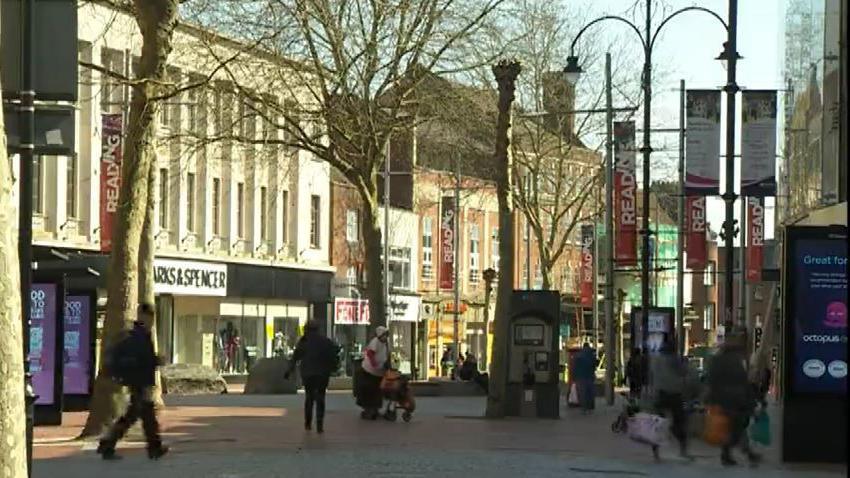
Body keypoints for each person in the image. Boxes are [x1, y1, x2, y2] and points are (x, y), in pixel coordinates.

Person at [97, 304, 167, 461]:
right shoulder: (139, 336)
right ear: (145, 316)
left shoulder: (140, 334)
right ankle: (152, 448)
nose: (151, 320)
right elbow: (142, 361)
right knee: (142, 417)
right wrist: (156, 361)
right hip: (140, 382)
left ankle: (110, 443)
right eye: (149, 317)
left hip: (139, 381)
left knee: (138, 416)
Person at [706, 331, 762, 467]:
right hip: (735, 400)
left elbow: (711, 381)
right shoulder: (736, 362)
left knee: (735, 428)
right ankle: (745, 453)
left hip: (724, 400)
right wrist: (752, 400)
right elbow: (743, 382)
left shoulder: (717, 361)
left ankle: (732, 454)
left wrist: (711, 399)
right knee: (737, 428)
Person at [284, 321, 338, 433]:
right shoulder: (326, 341)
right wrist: (333, 368)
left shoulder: (304, 341)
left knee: (309, 397)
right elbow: (333, 356)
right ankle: (319, 424)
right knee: (321, 398)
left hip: (308, 373)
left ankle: (308, 423)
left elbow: (295, 357)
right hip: (322, 373)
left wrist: (289, 371)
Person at [648, 342, 691, 462]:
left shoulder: (655, 360)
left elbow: (651, 376)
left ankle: (655, 451)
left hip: (660, 394)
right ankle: (683, 449)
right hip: (674, 394)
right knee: (679, 422)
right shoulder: (674, 360)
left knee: (658, 423)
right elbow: (684, 372)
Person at [356, 326, 390, 419]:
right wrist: (375, 364)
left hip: (379, 372)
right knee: (370, 391)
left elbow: (387, 354)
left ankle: (375, 408)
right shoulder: (375, 342)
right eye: (384, 335)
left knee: (377, 391)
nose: (385, 337)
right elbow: (370, 354)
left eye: (386, 335)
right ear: (380, 335)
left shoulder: (386, 343)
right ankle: (369, 409)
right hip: (369, 371)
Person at [574, 343, 597, 413]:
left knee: (582, 393)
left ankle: (584, 408)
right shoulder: (592, 355)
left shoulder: (578, 355)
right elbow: (594, 365)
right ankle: (590, 408)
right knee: (590, 393)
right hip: (590, 376)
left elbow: (575, 367)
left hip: (581, 377)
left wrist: (575, 376)